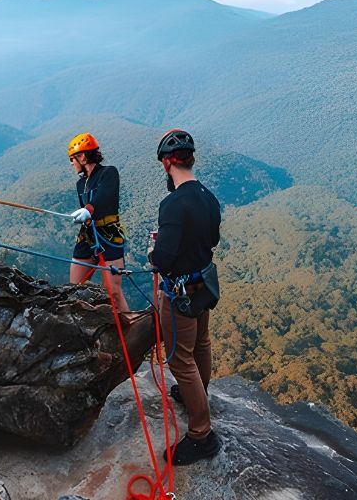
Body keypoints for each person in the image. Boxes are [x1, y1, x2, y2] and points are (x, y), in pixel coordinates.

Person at [149, 128, 222, 465]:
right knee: (202, 344)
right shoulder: (208, 196)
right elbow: (212, 239)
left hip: (179, 293)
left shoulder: (173, 204)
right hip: (203, 286)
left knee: (180, 359)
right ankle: (198, 397)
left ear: (167, 164)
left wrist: (157, 245)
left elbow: (161, 259)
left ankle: (201, 434)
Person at [67, 132, 130, 314]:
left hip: (109, 234)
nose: (71, 163)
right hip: (88, 235)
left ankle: (129, 326)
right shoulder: (80, 184)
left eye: (73, 159)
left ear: (83, 157)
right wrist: (84, 215)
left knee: (115, 292)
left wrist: (89, 209)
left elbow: (105, 195)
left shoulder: (108, 173)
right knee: (74, 287)